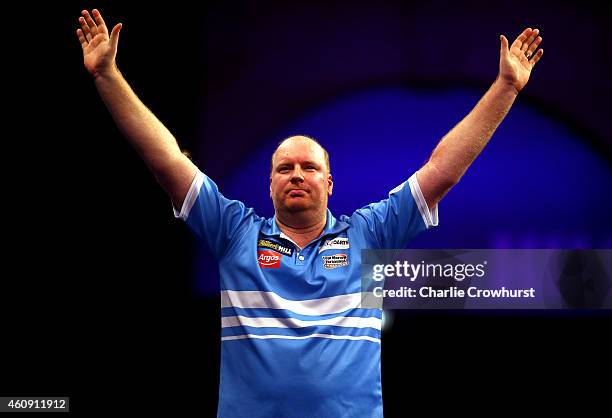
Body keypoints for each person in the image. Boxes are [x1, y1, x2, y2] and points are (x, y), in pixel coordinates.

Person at [76, 8, 543, 417]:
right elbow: (167, 161)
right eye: (285, 168)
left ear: (329, 183)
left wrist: (505, 86)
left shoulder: (371, 233)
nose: (297, 175)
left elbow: (443, 169)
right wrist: (107, 77)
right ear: (271, 183)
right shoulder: (233, 232)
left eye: (309, 167)